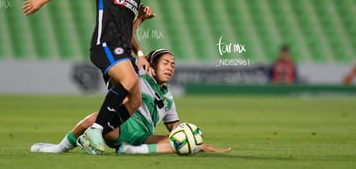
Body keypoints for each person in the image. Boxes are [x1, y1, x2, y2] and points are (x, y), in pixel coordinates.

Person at [23, 0, 152, 154]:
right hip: (105, 46)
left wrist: (139, 41)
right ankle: (96, 131)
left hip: (123, 52)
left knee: (135, 101)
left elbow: (127, 31)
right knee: (129, 81)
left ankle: (65, 145)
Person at [30, 49, 232, 154]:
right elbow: (126, 52)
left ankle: (131, 151)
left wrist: (198, 144)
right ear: (151, 66)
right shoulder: (138, 79)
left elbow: (176, 131)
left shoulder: (169, 98)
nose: (171, 67)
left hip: (142, 138)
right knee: (93, 120)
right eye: (166, 63)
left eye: (173, 64)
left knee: (180, 146)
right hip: (121, 128)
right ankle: (59, 148)